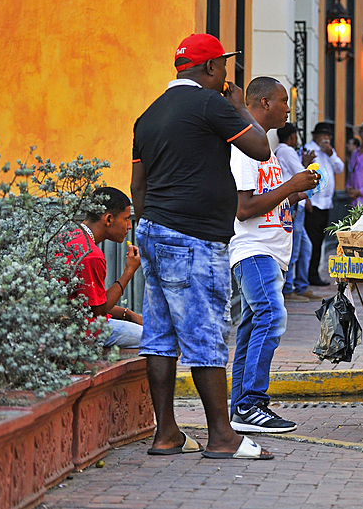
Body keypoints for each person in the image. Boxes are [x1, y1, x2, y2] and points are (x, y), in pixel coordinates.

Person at [131, 33, 275, 460]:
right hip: (194, 238)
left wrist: (155, 225)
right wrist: (236, 107)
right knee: (207, 333)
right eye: (225, 67)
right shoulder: (212, 104)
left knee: (160, 337)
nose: (229, 76)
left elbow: (138, 188)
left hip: (154, 232)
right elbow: (261, 148)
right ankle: (222, 436)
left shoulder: (148, 114)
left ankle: (167, 434)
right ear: (210, 68)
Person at [228, 78, 319, 434]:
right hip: (254, 251)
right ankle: (252, 403)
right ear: (264, 103)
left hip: (270, 252)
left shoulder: (262, 144)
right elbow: (243, 208)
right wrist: (291, 186)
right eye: (283, 102)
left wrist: (296, 192)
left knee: (252, 328)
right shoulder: (246, 148)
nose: (288, 109)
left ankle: (241, 408)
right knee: (270, 315)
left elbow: (268, 199)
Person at [65, 186, 143, 348]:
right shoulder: (91, 254)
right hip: (85, 331)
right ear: (108, 219)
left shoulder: (69, 235)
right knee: (161, 342)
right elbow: (98, 312)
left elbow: (92, 305)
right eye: (126, 219)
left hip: (68, 325)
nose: (129, 226)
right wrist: (128, 272)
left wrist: (128, 314)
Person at [274, 123, 313, 302]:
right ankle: (288, 289)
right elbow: (302, 174)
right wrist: (306, 164)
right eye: (296, 136)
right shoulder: (286, 150)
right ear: (291, 136)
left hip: (296, 202)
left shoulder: (282, 151)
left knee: (305, 246)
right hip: (293, 203)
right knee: (295, 248)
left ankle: (301, 285)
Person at [304, 122, 344, 287]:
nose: (326, 139)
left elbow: (340, 168)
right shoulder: (308, 150)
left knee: (319, 240)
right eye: (323, 135)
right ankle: (309, 275)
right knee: (311, 242)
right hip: (313, 203)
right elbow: (303, 173)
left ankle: (313, 274)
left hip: (326, 203)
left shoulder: (329, 152)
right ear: (315, 136)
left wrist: (331, 154)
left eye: (328, 136)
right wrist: (306, 198)